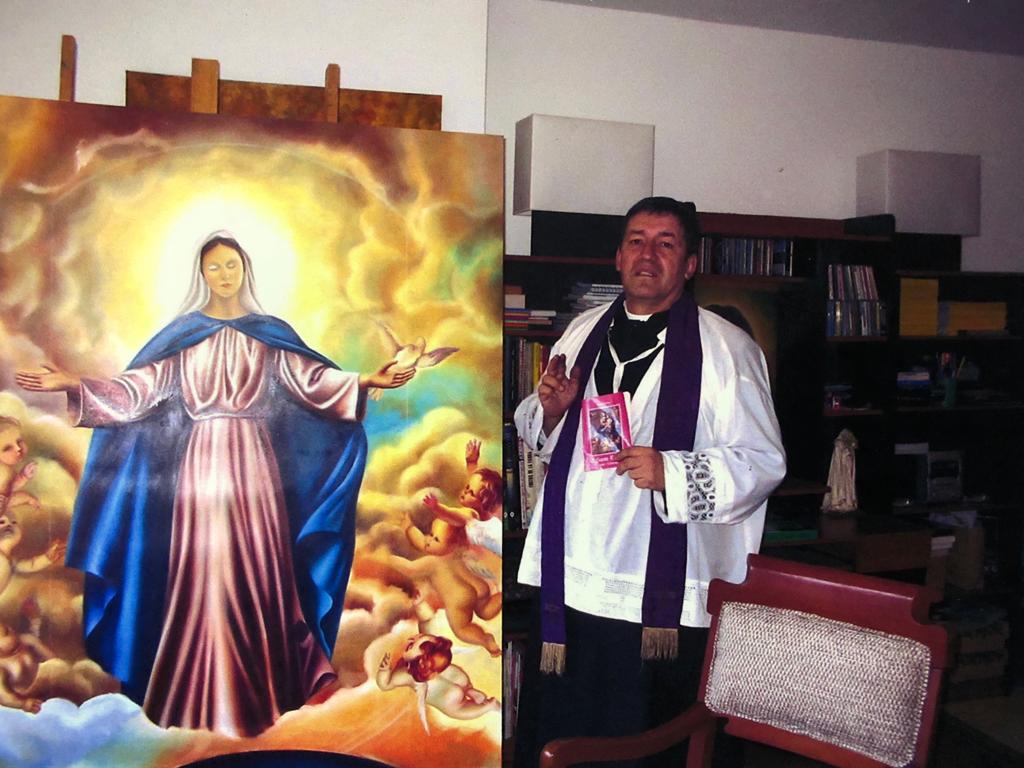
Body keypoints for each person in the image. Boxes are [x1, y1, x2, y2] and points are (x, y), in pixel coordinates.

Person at [15, 231, 414, 737]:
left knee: (257, 568)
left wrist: (367, 381)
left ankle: (258, 692)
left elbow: (309, 381)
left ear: (245, 269)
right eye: (214, 267)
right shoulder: (185, 337)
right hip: (200, 467)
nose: (224, 275)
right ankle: (193, 694)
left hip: (255, 466)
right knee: (202, 569)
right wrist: (73, 384)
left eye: (231, 266)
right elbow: (140, 391)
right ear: (201, 274)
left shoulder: (268, 335)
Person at [512, 197, 786, 767]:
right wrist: (553, 412)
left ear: (689, 264)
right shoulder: (581, 332)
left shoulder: (728, 350)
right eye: (636, 240)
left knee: (645, 737)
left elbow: (763, 462)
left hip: (660, 586)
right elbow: (538, 431)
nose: (647, 254)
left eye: (666, 243)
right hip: (575, 570)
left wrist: (673, 472)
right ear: (618, 256)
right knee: (568, 726)